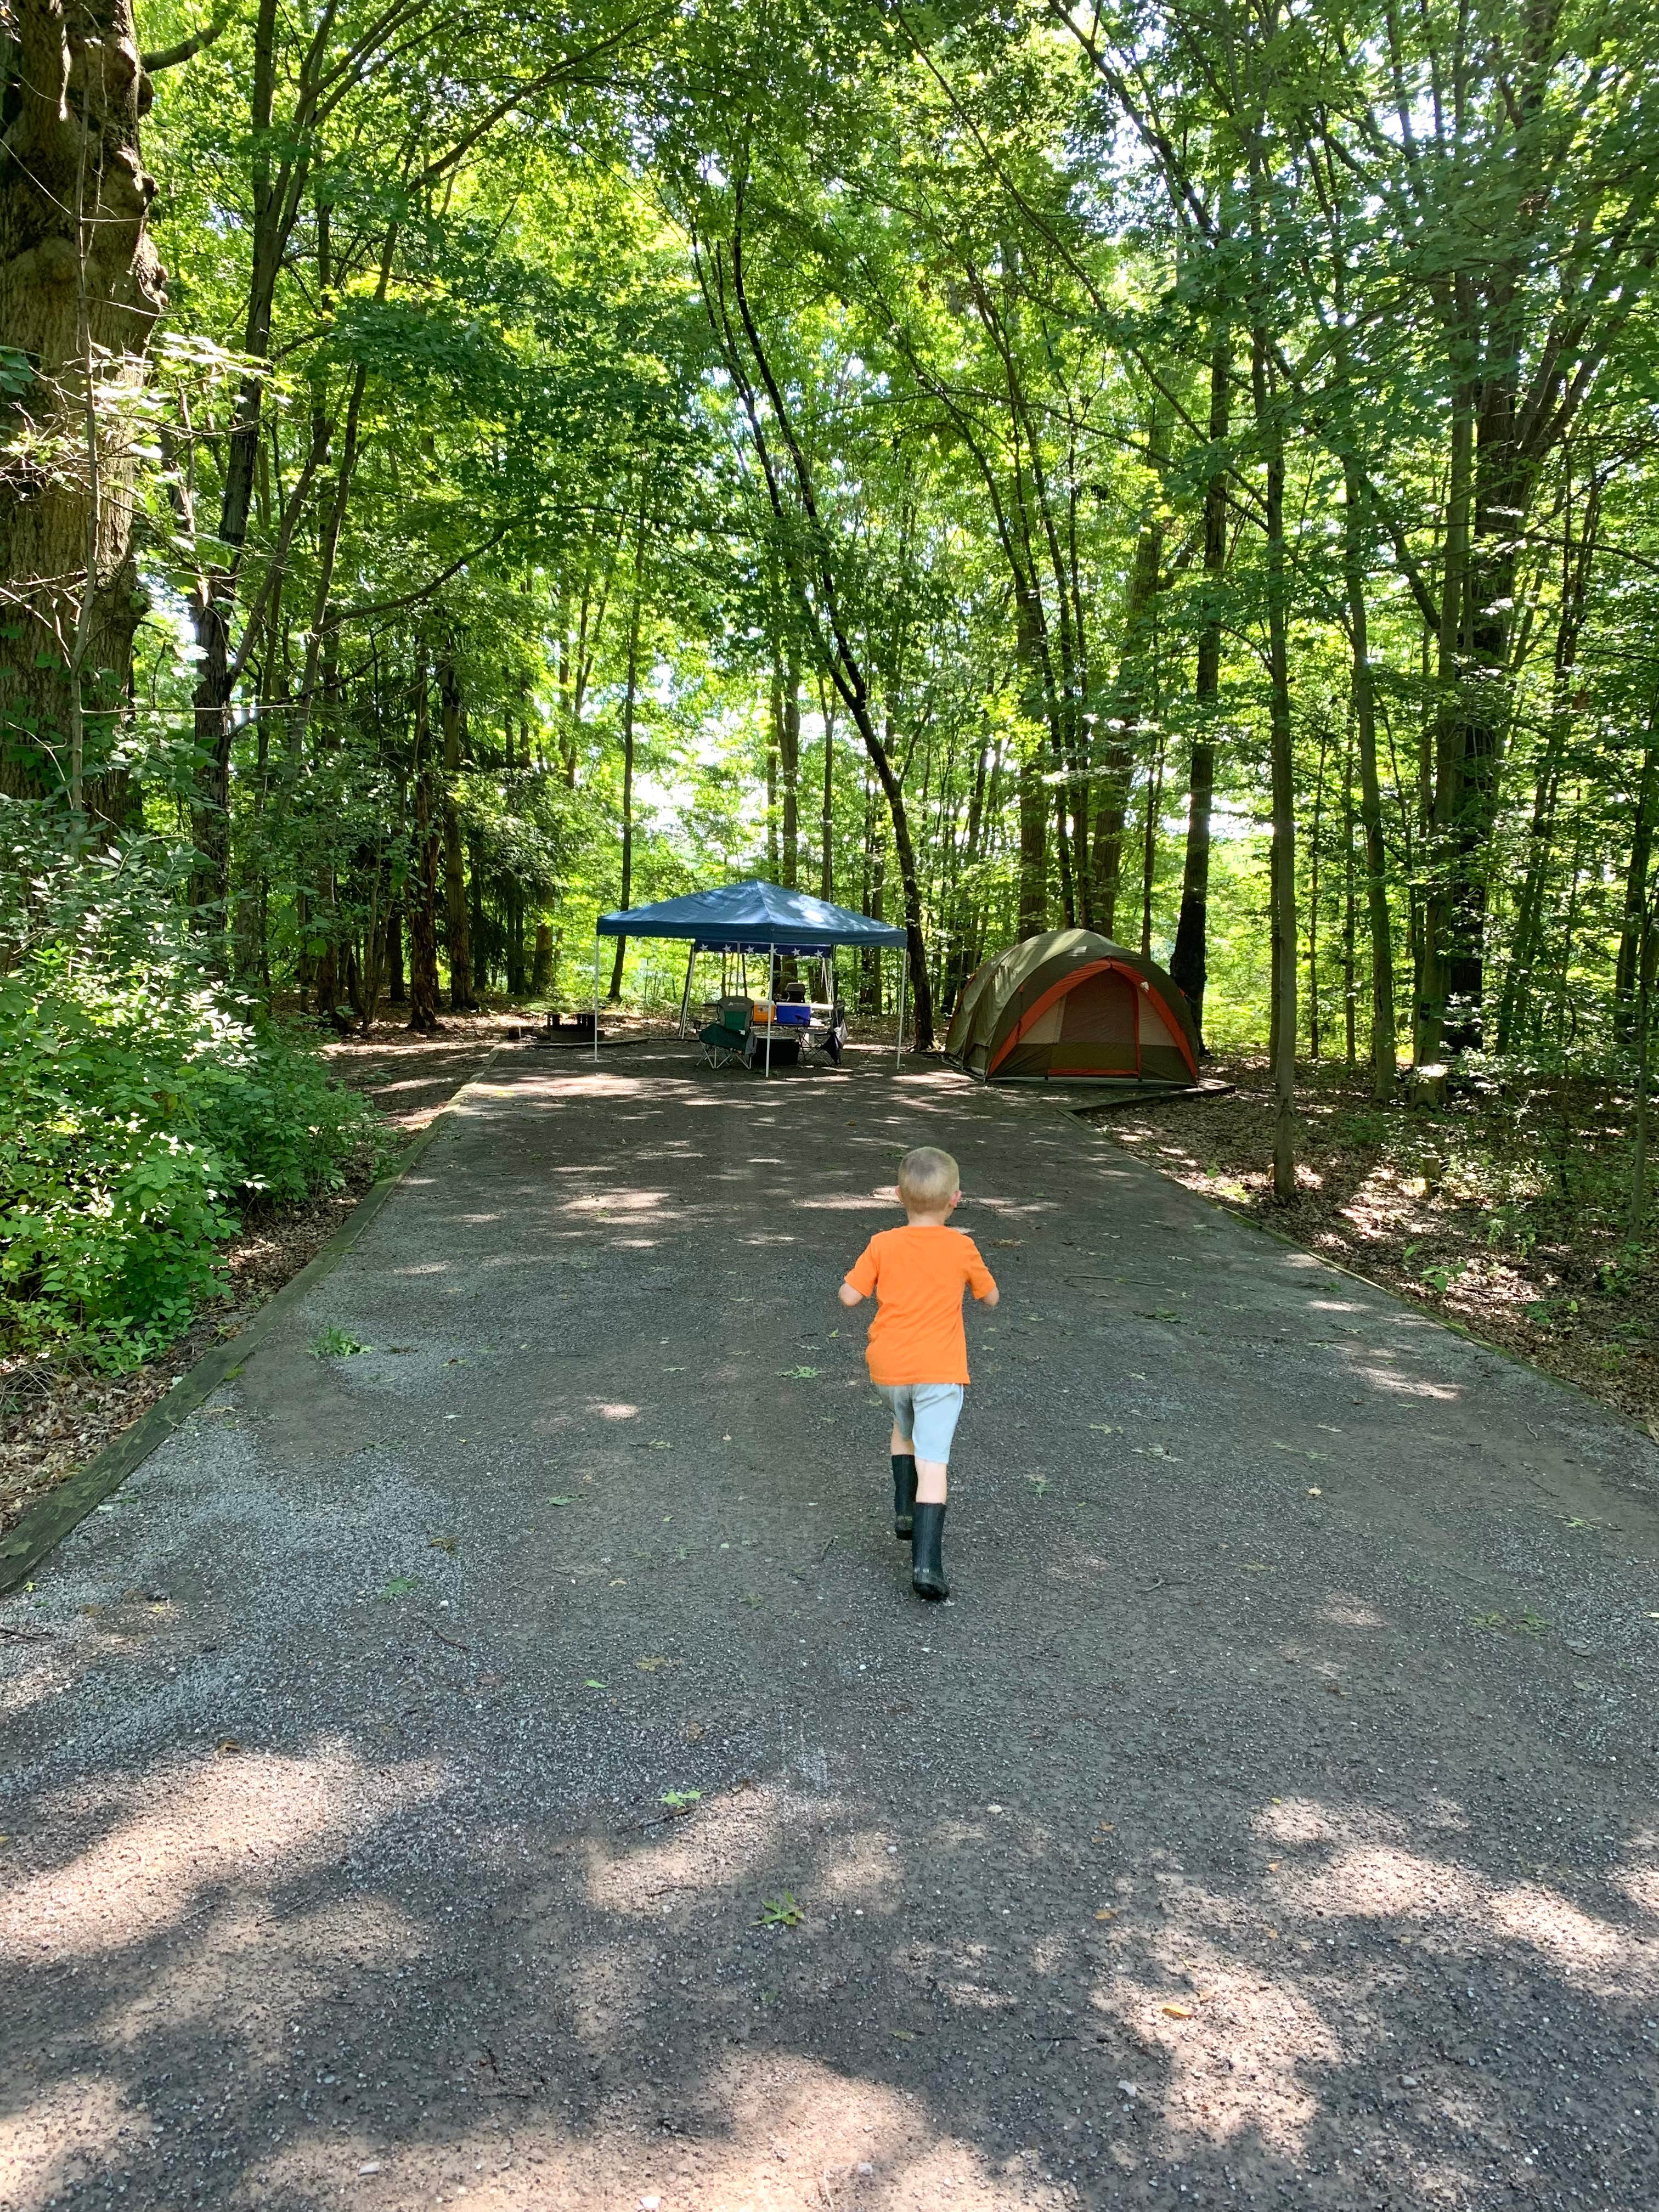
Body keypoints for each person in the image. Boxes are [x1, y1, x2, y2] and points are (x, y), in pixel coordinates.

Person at [839, 1145, 998, 1600]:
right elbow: (990, 1297)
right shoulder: (962, 1247)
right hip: (940, 1372)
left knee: (902, 1426)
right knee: (934, 1463)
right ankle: (927, 1565)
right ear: (956, 1199)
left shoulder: (882, 1244)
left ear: (897, 1195)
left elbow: (849, 1297)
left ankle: (904, 1511)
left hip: (889, 1370)